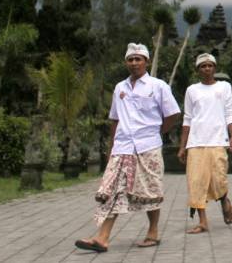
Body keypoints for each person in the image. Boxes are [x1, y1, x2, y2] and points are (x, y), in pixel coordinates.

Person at [75, 43, 181, 253]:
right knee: (113, 190)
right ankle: (102, 238)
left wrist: (157, 131)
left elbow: (173, 114)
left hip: (148, 145)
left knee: (150, 190)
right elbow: (114, 119)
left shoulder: (157, 86)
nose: (134, 63)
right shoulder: (120, 88)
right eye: (130, 59)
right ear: (126, 62)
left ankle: (152, 232)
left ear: (146, 61)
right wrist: (112, 146)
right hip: (123, 147)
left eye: (138, 59)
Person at [178, 53, 232, 234]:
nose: (207, 68)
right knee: (196, 182)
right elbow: (187, 119)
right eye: (203, 66)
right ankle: (203, 221)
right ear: (198, 70)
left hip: (218, 140)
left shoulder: (224, 87)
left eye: (210, 65)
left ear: (215, 68)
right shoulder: (192, 90)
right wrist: (182, 146)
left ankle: (224, 201)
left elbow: (229, 113)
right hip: (196, 142)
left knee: (219, 180)